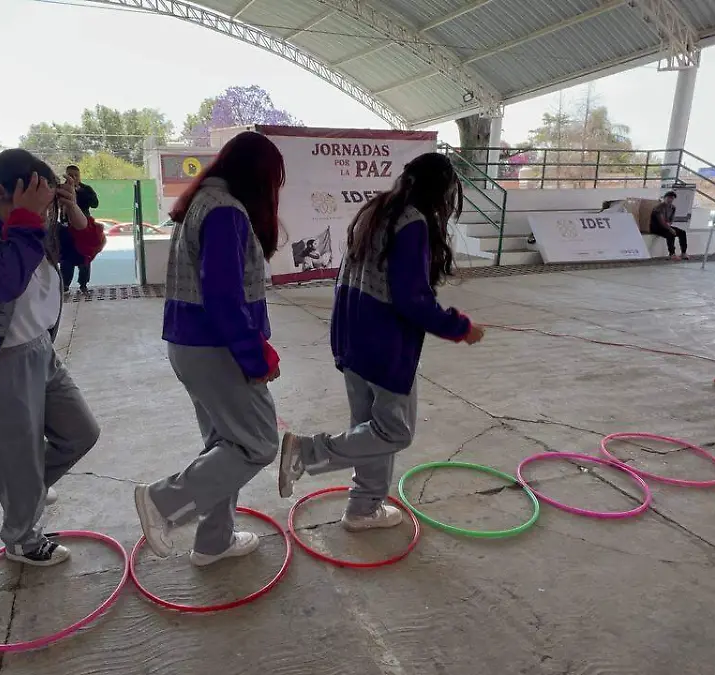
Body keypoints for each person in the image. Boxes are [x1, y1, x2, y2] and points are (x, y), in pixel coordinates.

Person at [275, 153, 486, 530]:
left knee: (369, 430)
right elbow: (412, 300)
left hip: (352, 335)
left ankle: (363, 508)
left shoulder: (377, 213)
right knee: (394, 431)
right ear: (439, 190)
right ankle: (307, 453)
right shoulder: (412, 223)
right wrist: (460, 327)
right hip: (383, 342)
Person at [0, 149, 107, 566]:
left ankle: (27, 488)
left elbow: (86, 249)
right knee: (18, 455)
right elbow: (4, 283)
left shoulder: (35, 221)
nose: (41, 206)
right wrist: (29, 218)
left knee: (80, 433)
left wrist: (72, 212)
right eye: (33, 195)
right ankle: (22, 540)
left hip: (40, 347)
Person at [133, 131, 285, 566]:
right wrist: (253, 355)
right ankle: (163, 502)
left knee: (226, 444)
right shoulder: (226, 213)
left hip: (192, 344)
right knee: (258, 444)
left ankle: (213, 541)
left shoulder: (203, 202)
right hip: (215, 347)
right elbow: (223, 297)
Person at [59, 165, 100, 295]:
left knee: (84, 257)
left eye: (76, 175)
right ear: (66, 175)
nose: (73, 177)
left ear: (79, 176)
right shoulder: (61, 189)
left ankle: (83, 285)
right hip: (66, 228)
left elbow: (95, 203)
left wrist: (79, 191)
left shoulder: (86, 189)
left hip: (84, 229)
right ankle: (64, 285)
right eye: (70, 175)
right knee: (66, 259)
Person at [650, 190, 688, 260]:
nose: (670, 200)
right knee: (670, 233)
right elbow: (661, 222)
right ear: (664, 198)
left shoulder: (673, 207)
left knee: (682, 232)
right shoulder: (658, 208)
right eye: (668, 198)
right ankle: (672, 254)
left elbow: (671, 220)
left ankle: (683, 253)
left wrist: (669, 225)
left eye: (672, 198)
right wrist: (670, 229)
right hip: (657, 227)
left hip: (666, 226)